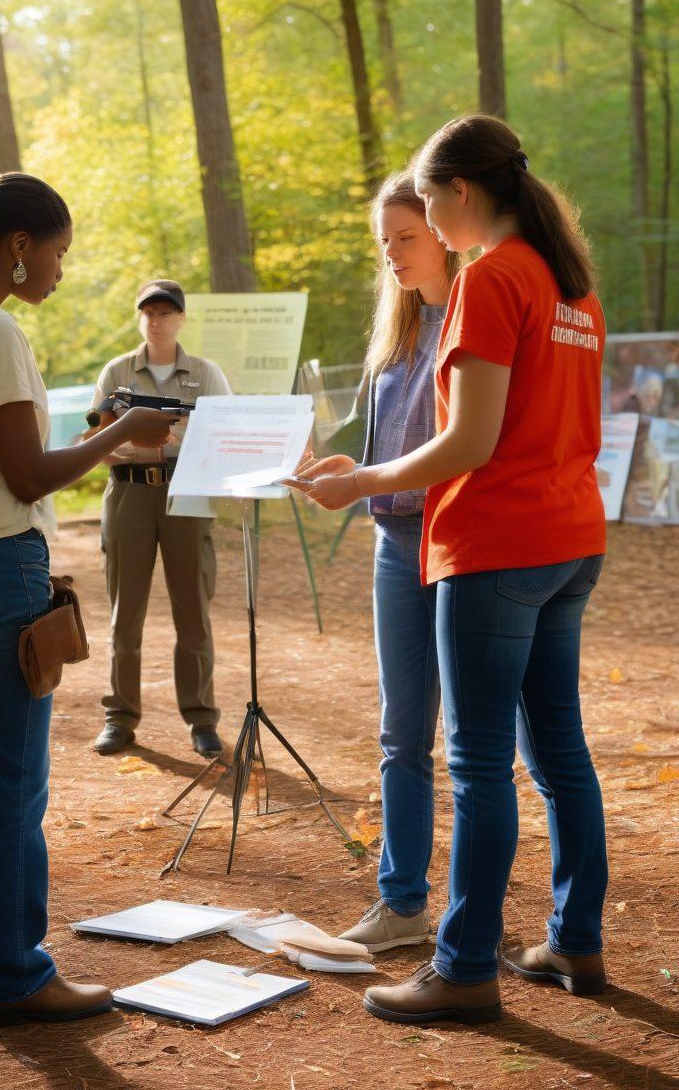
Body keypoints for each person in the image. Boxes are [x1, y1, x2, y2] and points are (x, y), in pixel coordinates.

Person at [290, 115, 607, 1024]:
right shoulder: (569, 283)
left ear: (461, 194)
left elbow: (468, 440)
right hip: (568, 540)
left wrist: (364, 482)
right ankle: (575, 940)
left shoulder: (493, 279)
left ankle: (464, 966)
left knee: (474, 764)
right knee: (557, 754)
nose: (423, 217)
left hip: (497, 547)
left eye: (425, 201)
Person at [0, 172, 175, 1028]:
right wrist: (121, 432)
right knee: (12, 781)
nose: (59, 269)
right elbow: (27, 475)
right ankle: (14, 975)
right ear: (18, 247)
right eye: (56, 253)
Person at [313, 172, 458, 954]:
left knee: (474, 742)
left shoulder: (476, 316)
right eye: (384, 243)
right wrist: (346, 467)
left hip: (463, 545)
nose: (394, 254)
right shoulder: (396, 334)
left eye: (406, 236)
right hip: (393, 547)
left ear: (442, 228)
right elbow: (392, 446)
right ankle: (401, 905)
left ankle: (473, 917)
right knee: (402, 735)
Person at [87, 279, 232, 758]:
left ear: (181, 318)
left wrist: (160, 443)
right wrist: (155, 442)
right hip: (129, 494)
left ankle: (201, 718)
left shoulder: (205, 374)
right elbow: (98, 443)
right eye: (148, 311)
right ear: (139, 318)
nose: (157, 319)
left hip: (186, 496)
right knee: (124, 614)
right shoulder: (117, 372)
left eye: (166, 311)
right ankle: (120, 717)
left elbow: (222, 437)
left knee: (192, 611)